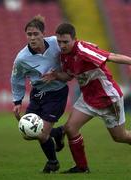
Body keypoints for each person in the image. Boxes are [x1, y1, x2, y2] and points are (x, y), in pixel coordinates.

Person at [42, 22, 131, 173]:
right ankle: (82, 167)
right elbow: (68, 76)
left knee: (120, 136)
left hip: (107, 98)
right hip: (88, 97)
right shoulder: (64, 55)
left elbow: (111, 56)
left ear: (74, 39)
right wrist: (56, 75)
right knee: (71, 128)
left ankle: (61, 136)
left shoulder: (83, 51)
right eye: (59, 42)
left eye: (65, 42)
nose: (62, 45)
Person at [10, 15, 69, 173]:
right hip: (37, 94)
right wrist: (17, 101)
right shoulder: (22, 58)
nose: (32, 37)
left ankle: (53, 163)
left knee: (42, 134)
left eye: (36, 34)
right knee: (27, 133)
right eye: (29, 34)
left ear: (43, 34)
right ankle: (58, 132)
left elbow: (74, 45)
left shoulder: (56, 43)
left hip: (57, 93)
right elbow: (17, 79)